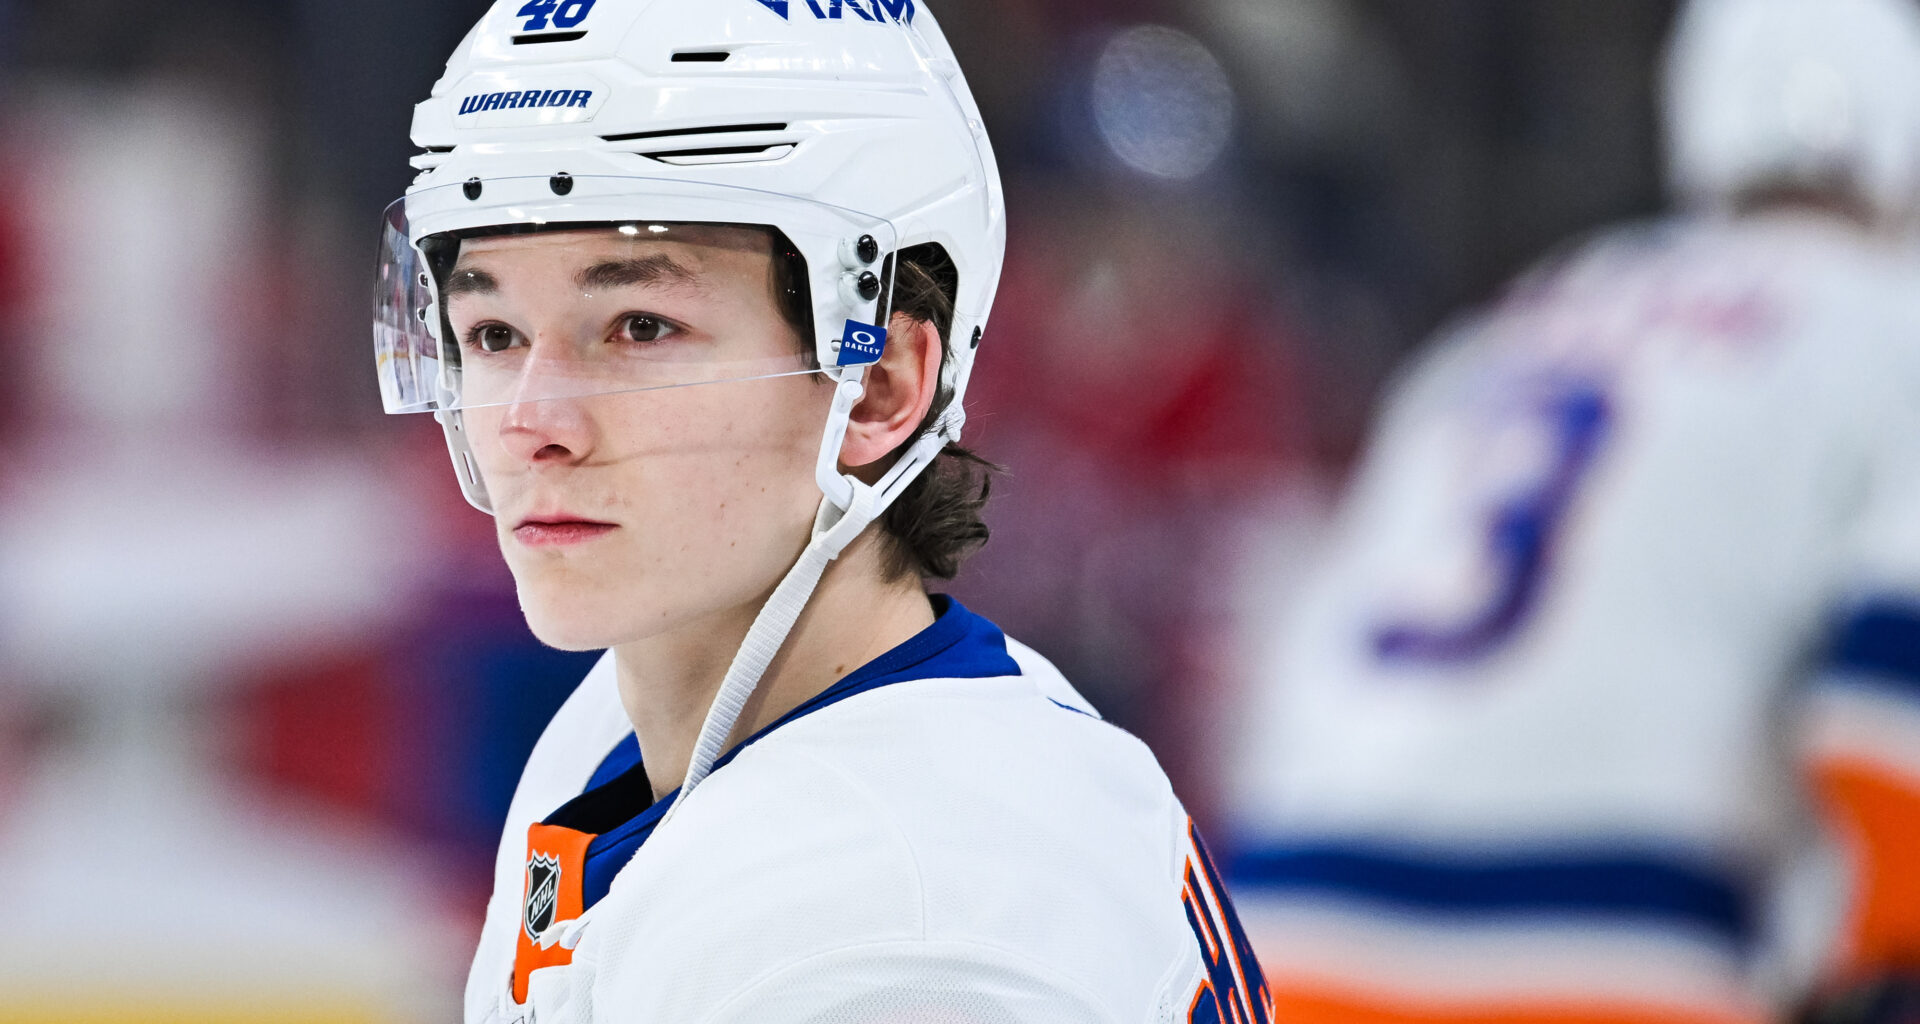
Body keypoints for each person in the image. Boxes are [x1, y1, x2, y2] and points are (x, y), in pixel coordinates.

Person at [372, 1, 1271, 1021]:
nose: (532, 421)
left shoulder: (898, 922)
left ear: (880, 385)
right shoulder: (618, 732)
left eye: (639, 325)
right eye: (490, 331)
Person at [1220, 0, 1920, 1021]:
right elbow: (1886, 702)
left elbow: (1288, 659)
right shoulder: (1890, 331)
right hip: (1608, 943)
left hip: (1288, 928)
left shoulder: (1511, 327)